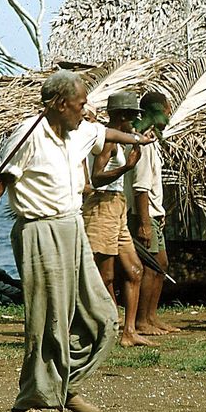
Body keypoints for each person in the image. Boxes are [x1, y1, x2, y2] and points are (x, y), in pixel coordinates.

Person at [0, 70, 152, 412]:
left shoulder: (78, 130)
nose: (87, 111)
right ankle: (28, 404)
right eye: (81, 104)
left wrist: (136, 139)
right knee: (48, 320)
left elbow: (105, 133)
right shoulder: (28, 137)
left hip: (72, 226)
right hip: (39, 232)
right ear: (59, 104)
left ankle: (64, 384)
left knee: (102, 317)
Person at [83, 91, 156, 347]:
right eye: (132, 118)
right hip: (103, 206)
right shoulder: (107, 141)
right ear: (123, 116)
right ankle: (109, 330)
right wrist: (127, 167)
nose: (134, 123)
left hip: (116, 207)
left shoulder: (115, 139)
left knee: (134, 270)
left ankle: (127, 331)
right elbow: (97, 177)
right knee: (105, 275)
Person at [125, 91, 180, 335]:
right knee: (151, 265)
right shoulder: (143, 143)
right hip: (143, 215)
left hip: (153, 213)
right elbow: (140, 188)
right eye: (166, 109)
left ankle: (151, 316)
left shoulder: (151, 141)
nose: (168, 114)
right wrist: (144, 224)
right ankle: (142, 320)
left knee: (161, 264)